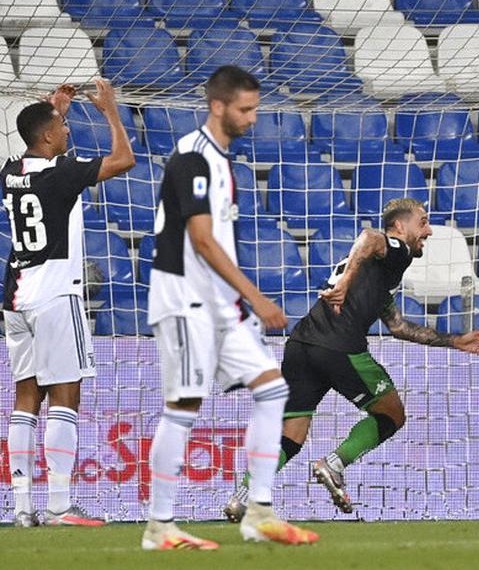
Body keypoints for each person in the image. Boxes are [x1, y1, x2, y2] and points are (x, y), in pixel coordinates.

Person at [223, 198, 479, 520]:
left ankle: (242, 495)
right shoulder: (397, 251)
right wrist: (346, 282)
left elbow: (398, 326)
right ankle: (334, 464)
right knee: (392, 414)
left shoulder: (379, 274)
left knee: (291, 433)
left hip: (301, 345)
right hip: (338, 346)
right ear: (399, 227)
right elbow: (368, 237)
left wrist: (455, 341)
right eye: (422, 222)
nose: (429, 231)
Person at [143, 66, 317, 550]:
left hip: (221, 304)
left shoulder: (222, 160)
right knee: (183, 407)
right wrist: (257, 298)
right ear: (217, 106)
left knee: (273, 388)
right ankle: (160, 526)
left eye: (255, 108)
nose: (253, 118)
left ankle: (259, 512)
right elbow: (200, 240)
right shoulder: (192, 158)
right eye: (246, 109)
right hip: (184, 299)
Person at [3, 80, 135, 527]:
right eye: (61, 125)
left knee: (26, 396)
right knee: (66, 394)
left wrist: (53, 107)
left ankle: (21, 508)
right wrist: (111, 112)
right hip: (56, 293)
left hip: (15, 295)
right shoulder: (62, 174)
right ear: (46, 138)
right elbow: (124, 159)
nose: (66, 131)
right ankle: (59, 506)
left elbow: (40, 149)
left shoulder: (9, 171)